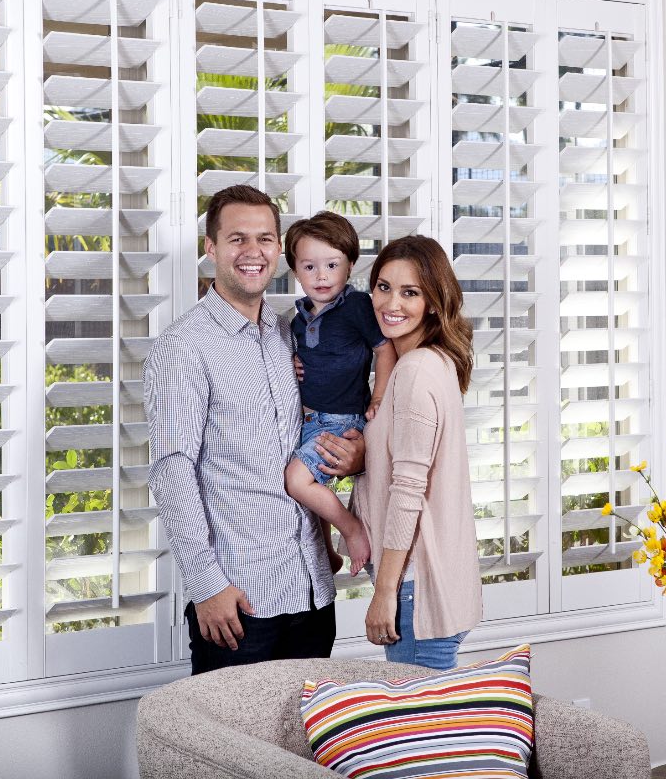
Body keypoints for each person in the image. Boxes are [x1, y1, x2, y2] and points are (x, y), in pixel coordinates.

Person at [144, 185, 365, 675]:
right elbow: (171, 471)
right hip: (239, 603)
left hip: (312, 589)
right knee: (231, 751)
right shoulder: (184, 347)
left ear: (279, 249)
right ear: (211, 247)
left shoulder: (293, 332)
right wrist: (206, 585)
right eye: (237, 238)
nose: (253, 252)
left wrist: (356, 456)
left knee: (305, 749)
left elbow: (317, 430)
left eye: (265, 239)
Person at [352, 234, 481, 669]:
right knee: (435, 731)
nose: (392, 302)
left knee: (422, 735)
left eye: (410, 292)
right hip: (434, 583)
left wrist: (385, 591)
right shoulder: (434, 361)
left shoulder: (415, 371)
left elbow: (408, 491)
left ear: (433, 300)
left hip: (414, 589)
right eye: (384, 287)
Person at [283, 212, 397, 577]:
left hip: (340, 419)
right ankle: (327, 556)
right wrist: (294, 362)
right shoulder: (297, 319)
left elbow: (384, 348)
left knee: (297, 481)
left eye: (331, 265)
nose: (321, 275)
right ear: (295, 271)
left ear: (349, 266)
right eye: (309, 266)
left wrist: (378, 396)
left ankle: (351, 530)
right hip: (307, 416)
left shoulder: (357, 306)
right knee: (309, 494)